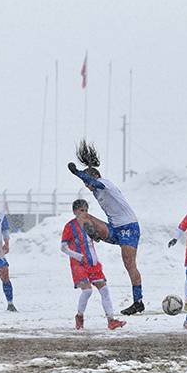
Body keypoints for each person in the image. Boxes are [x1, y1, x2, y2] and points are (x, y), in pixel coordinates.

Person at [67, 140, 144, 316]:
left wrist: (78, 173)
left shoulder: (104, 183)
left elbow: (96, 182)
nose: (87, 186)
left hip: (128, 227)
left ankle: (138, 301)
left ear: (94, 178)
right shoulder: (95, 190)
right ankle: (94, 234)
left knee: (129, 263)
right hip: (115, 228)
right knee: (83, 215)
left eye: (88, 183)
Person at [61, 199, 126, 330]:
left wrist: (98, 234)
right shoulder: (70, 226)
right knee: (87, 291)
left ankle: (111, 320)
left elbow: (97, 238)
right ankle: (79, 316)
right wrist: (77, 256)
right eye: (81, 210)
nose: (84, 213)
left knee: (105, 290)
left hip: (93, 263)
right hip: (78, 264)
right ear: (75, 211)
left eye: (86, 210)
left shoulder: (89, 224)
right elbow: (63, 247)